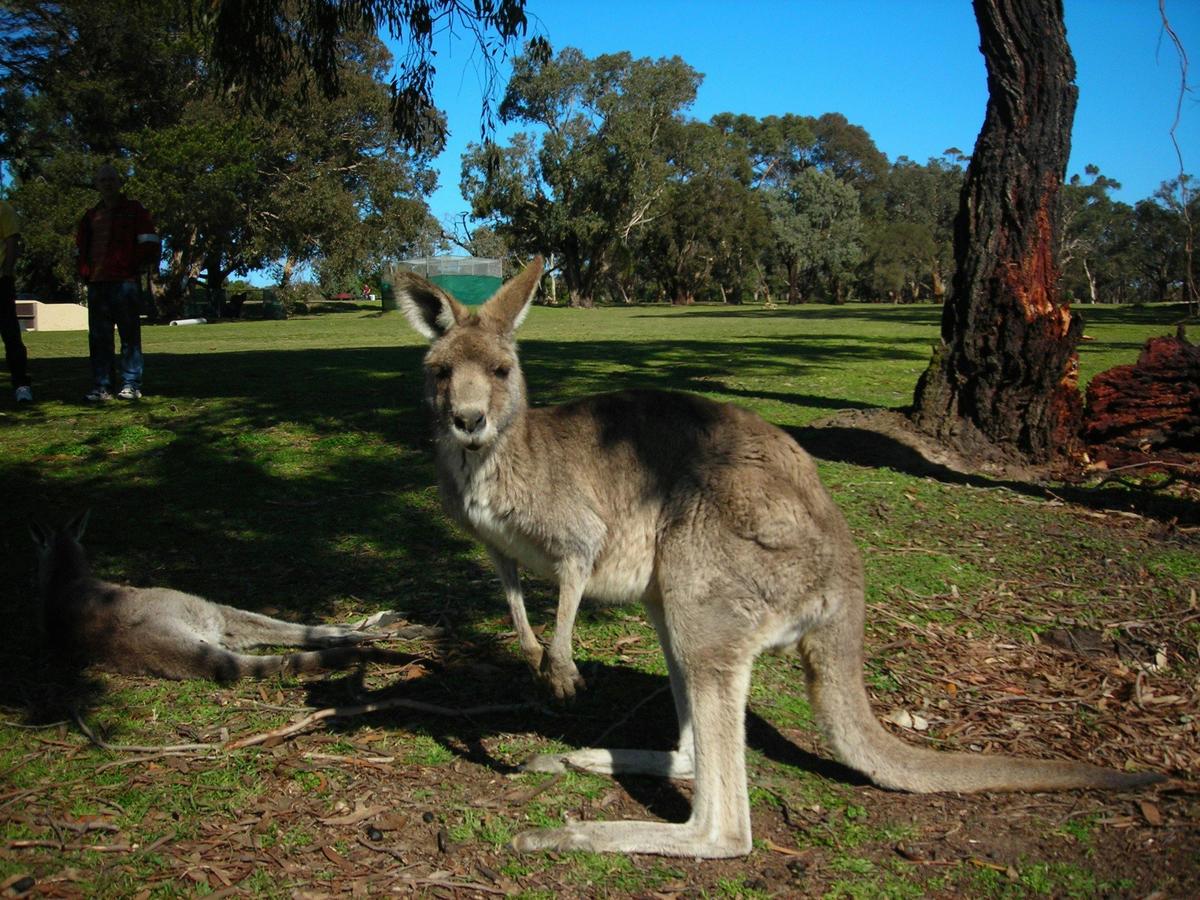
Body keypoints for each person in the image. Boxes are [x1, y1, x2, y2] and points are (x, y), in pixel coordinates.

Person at [75, 164, 160, 401]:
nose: (107, 184)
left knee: (129, 336)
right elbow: (81, 247)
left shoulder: (134, 211)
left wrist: (133, 265)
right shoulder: (91, 216)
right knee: (99, 337)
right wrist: (85, 272)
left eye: (111, 179)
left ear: (120, 183)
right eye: (103, 180)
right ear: (97, 185)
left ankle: (131, 383)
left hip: (125, 283)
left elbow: (150, 241)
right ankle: (102, 386)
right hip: (97, 283)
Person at [0, 198, 32, 403]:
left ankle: (21, 385)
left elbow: (12, 241)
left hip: (0, 281)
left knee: (10, 333)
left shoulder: (4, 209)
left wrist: (7, 271)